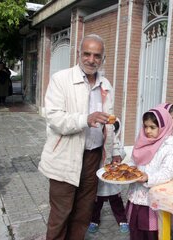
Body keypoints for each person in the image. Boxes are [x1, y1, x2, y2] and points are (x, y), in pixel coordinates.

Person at [38, 34, 115, 239]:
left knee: (83, 212)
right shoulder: (61, 79)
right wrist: (85, 119)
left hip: (93, 157)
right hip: (65, 155)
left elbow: (110, 124)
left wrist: (115, 153)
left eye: (97, 56)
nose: (91, 59)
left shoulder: (105, 85)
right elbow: (54, 118)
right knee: (61, 213)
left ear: (103, 58)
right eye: (87, 54)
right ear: (79, 54)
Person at [125, 106, 173, 240]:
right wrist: (127, 170)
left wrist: (148, 177)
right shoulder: (141, 140)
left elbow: (167, 173)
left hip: (152, 201)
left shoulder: (169, 146)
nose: (148, 131)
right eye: (145, 126)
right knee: (135, 233)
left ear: (163, 126)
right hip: (135, 197)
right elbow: (133, 161)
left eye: (153, 127)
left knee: (151, 234)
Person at [88, 118, 129, 234]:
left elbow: (121, 153)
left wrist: (118, 157)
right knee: (96, 202)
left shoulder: (117, 142)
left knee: (116, 201)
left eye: (113, 130)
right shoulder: (98, 142)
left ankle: (122, 221)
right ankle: (94, 220)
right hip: (99, 179)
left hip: (113, 180)